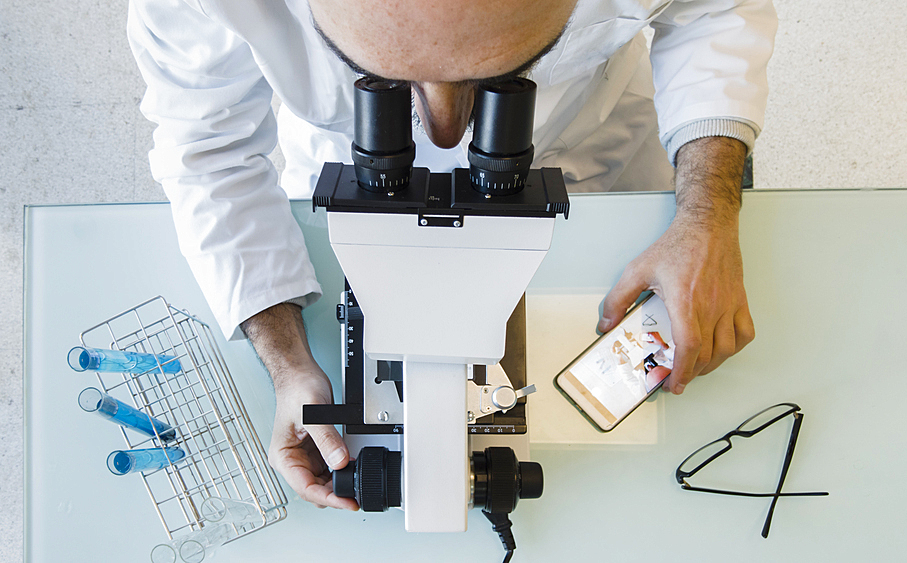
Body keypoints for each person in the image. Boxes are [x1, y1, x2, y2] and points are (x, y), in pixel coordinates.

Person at [127, 0, 776, 510]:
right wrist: (290, 364)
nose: (445, 130)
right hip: (342, 174)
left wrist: (706, 215)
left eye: (499, 78)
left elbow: (715, 11)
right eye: (382, 77)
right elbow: (206, 146)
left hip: (587, 152)